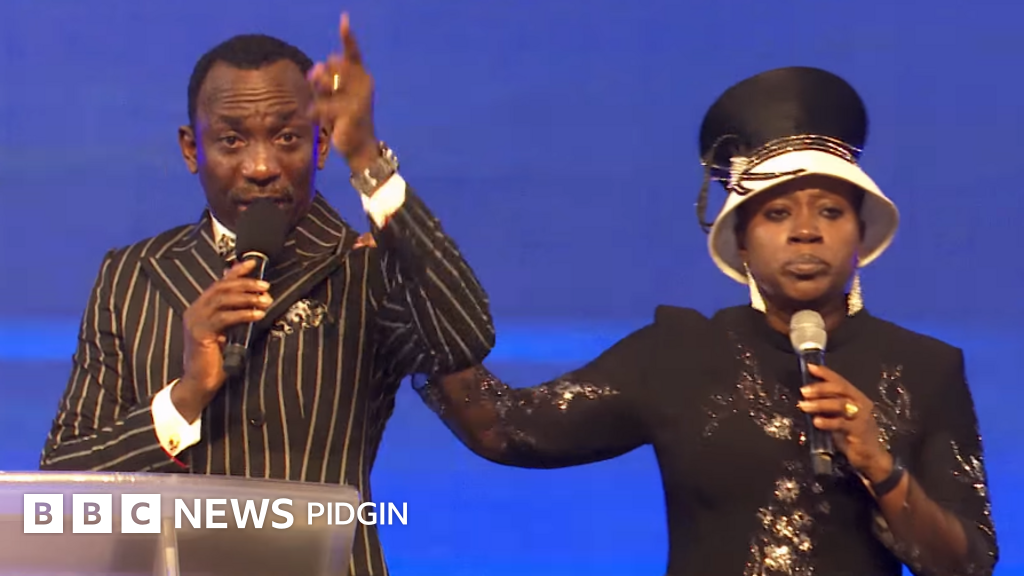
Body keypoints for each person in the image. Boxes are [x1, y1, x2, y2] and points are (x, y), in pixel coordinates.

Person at [415, 67, 997, 576]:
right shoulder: (680, 354)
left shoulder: (926, 368)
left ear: (861, 234)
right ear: (741, 241)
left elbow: (967, 564)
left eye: (830, 211)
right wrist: (407, 273)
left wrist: (882, 469)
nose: (806, 231)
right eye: (777, 213)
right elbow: (503, 426)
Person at [39, 15, 495, 576]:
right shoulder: (132, 276)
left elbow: (463, 337)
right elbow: (61, 489)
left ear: (320, 144)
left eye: (286, 138)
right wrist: (184, 398)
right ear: (191, 149)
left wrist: (367, 159)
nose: (260, 167)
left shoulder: (366, 265)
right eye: (232, 140)